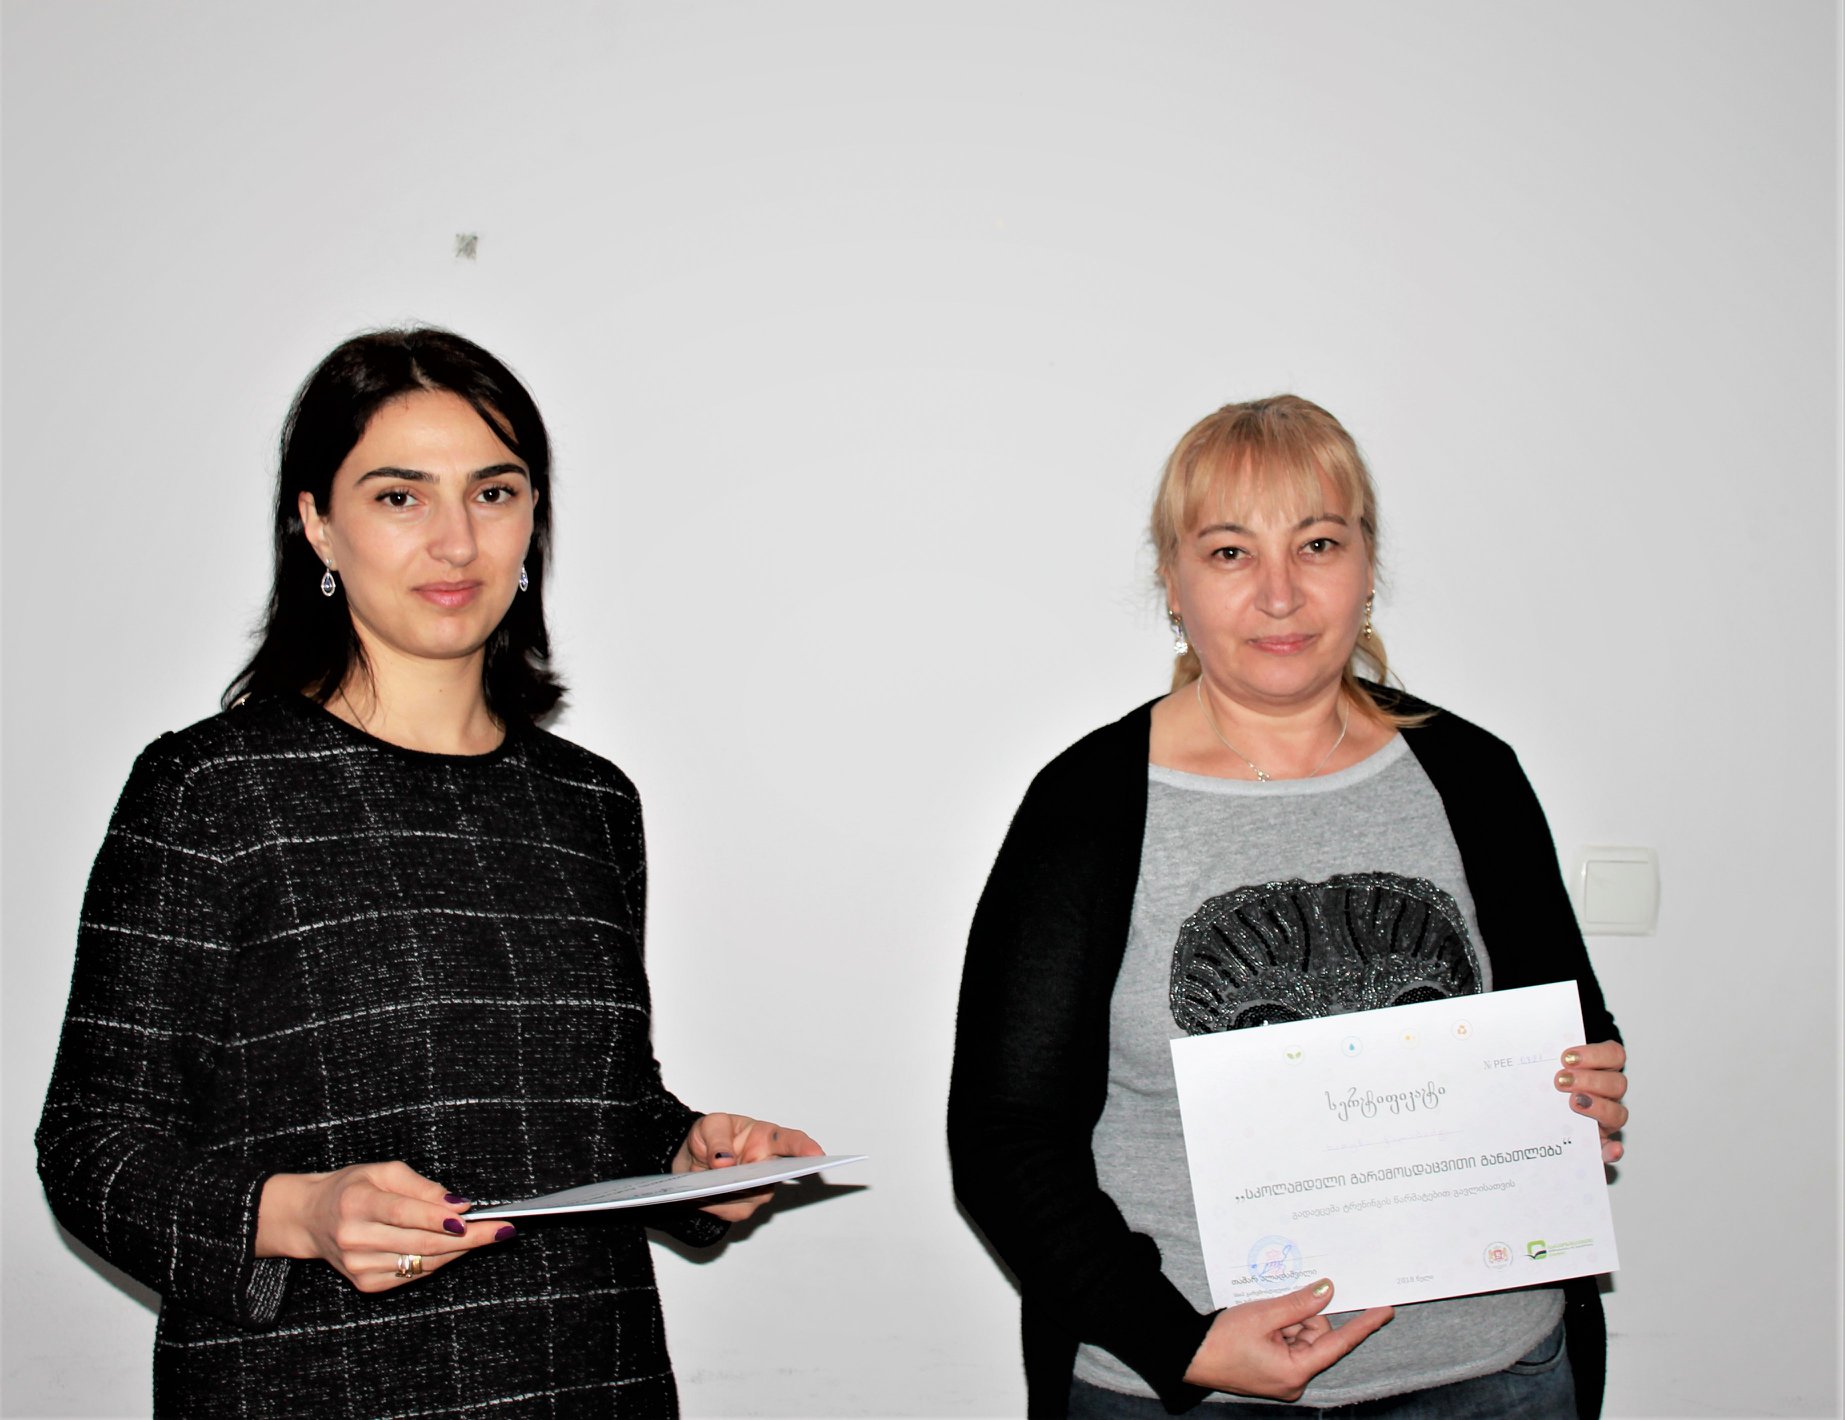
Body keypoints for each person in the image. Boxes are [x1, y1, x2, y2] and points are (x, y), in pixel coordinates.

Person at [37, 327, 823, 1416]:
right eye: (400, 497)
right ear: (318, 523)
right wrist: (301, 1214)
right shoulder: (210, 789)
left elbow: (581, 1108)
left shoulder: (589, 803)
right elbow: (89, 1148)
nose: (456, 541)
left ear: (534, 518)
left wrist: (688, 1159)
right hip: (315, 1389)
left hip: (590, 1375)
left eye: (493, 493)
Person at [947, 395, 1628, 1418]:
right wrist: (1178, 1342)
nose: (1279, 593)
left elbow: (1570, 1030)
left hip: (1492, 1373)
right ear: (1172, 582)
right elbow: (1004, 1138)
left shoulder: (1473, 777)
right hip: (1193, 1388)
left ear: (1367, 566)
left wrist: (1588, 1086)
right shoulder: (1086, 809)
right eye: (1230, 552)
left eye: (1317, 543)